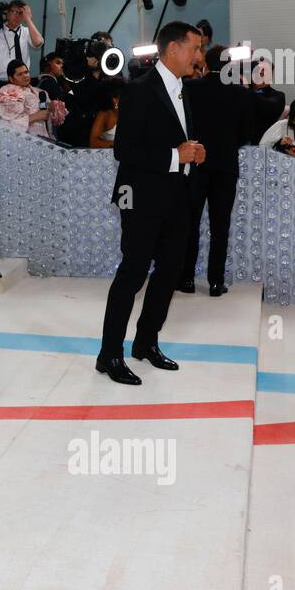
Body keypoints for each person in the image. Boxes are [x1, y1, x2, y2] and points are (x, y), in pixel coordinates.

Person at [97, 21, 206, 386]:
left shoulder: (184, 90)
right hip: (141, 199)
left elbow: (176, 140)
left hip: (177, 199)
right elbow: (124, 150)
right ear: (173, 48)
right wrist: (177, 156)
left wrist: (192, 154)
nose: (198, 56)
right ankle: (109, 354)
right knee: (133, 274)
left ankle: (146, 342)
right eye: (195, 49)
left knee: (170, 272)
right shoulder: (138, 90)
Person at [179, 46, 253, 295]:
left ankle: (186, 279)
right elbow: (246, 132)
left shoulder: (189, 88)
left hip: (195, 164)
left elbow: (183, 125)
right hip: (225, 166)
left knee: (190, 222)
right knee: (220, 225)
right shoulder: (240, 93)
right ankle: (215, 282)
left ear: (205, 65)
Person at [0, 0, 44, 115]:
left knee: (20, 118)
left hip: (20, 84)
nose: (17, 16)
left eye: (21, 13)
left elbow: (38, 43)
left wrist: (28, 20)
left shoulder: (26, 32)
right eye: (14, 12)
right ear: (7, 13)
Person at [0, 59, 50, 138]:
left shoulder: (40, 92)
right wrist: (36, 116)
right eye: (20, 74)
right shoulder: (7, 92)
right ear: (11, 79)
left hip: (44, 137)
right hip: (22, 138)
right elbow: (7, 123)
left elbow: (45, 113)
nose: (25, 76)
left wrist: (52, 109)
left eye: (26, 72)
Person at [88, 81, 119, 148]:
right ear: (115, 100)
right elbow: (93, 142)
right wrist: (118, 145)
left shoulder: (130, 110)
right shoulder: (104, 115)